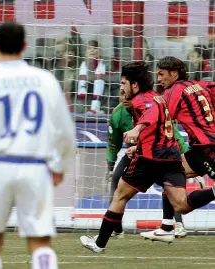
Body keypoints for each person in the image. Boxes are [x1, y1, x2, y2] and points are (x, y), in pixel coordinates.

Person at [0, 21, 76, 269]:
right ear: (25, 46)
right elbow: (65, 131)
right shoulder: (45, 80)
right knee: (40, 241)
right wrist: (60, 165)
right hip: (35, 167)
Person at [80, 61, 215, 253]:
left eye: (123, 84)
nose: (121, 89)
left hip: (150, 160)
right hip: (172, 158)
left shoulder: (144, 100)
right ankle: (170, 224)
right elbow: (160, 123)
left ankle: (99, 243)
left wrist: (137, 128)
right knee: (182, 205)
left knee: (120, 195)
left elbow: (150, 115)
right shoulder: (158, 97)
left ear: (134, 85)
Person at [140, 56, 215, 242]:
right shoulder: (200, 85)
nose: (159, 79)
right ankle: (167, 227)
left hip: (208, 147)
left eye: (161, 74)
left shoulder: (174, 91)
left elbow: (162, 119)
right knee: (169, 172)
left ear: (174, 73)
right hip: (199, 148)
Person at [106, 89, 191, 239]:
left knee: (170, 184)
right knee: (116, 179)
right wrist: (110, 167)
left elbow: (174, 134)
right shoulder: (117, 114)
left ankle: (176, 223)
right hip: (137, 154)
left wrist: (187, 155)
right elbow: (113, 145)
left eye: (127, 93)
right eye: (121, 94)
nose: (124, 97)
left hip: (162, 154)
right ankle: (116, 228)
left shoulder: (152, 107)